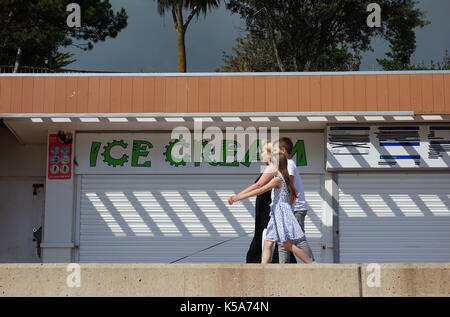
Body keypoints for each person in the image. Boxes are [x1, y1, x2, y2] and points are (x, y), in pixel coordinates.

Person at [229, 153, 313, 264]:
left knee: (287, 245)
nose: (268, 169)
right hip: (277, 213)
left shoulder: (277, 180)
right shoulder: (286, 179)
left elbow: (260, 190)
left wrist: (238, 197)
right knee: (268, 242)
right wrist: (285, 208)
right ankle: (263, 269)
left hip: (280, 213)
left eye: (270, 165)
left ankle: (311, 264)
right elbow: (292, 197)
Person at [273, 137, 316, 263]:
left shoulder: (289, 164)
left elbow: (289, 188)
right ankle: (283, 268)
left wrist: (287, 209)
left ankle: (313, 264)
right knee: (283, 241)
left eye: (276, 150)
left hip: (295, 208)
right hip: (291, 208)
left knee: (297, 239)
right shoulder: (286, 165)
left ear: (283, 150)